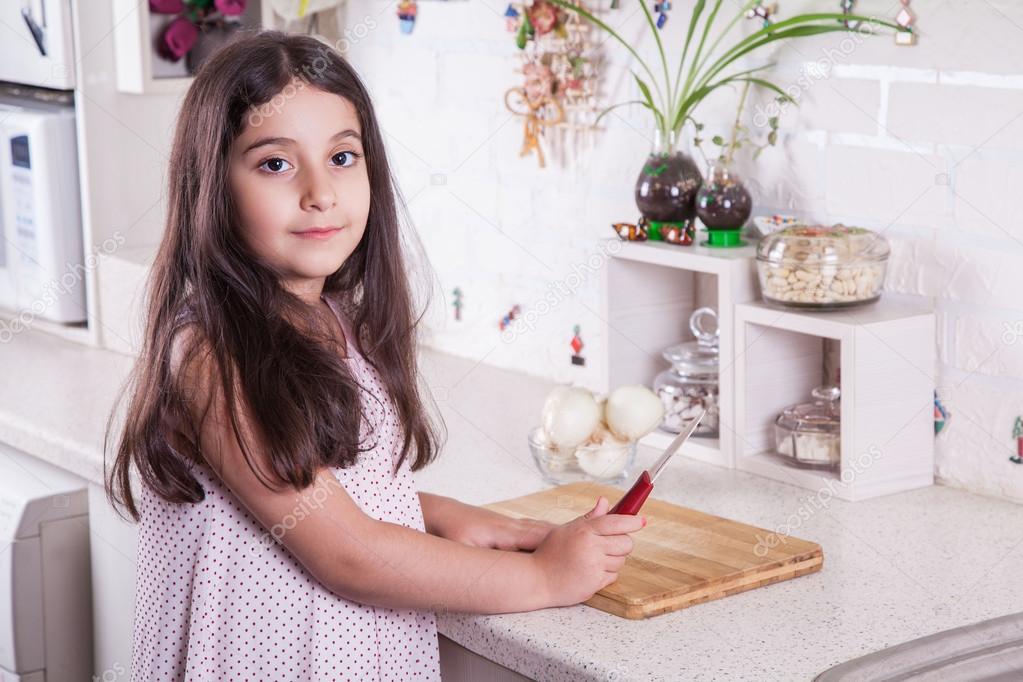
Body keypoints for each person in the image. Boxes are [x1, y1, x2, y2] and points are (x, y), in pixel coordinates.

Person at [105, 30, 643, 681]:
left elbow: (328, 492)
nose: (319, 192)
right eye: (275, 163)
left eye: (341, 157)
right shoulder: (213, 358)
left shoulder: (337, 319)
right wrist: (542, 576)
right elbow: (349, 556)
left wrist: (447, 518)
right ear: (212, 186)